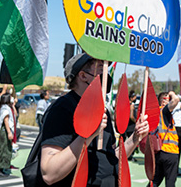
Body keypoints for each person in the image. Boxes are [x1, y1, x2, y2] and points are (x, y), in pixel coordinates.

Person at [40, 53, 149, 186]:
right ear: (83, 76)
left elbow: (112, 158)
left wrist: (135, 137)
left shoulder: (103, 110)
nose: (105, 73)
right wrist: (87, 135)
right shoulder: (62, 109)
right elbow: (49, 173)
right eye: (100, 67)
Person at [150, 91, 180, 187]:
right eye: (168, 99)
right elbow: (176, 100)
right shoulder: (164, 111)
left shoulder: (156, 113)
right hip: (170, 151)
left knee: (156, 181)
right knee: (170, 182)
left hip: (159, 151)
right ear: (163, 101)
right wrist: (172, 93)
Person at [0, 93, 17, 177]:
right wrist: (9, 132)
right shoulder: (5, 108)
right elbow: (6, 121)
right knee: (3, 149)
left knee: (6, 148)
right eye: (10, 98)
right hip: (5, 131)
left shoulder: (7, 107)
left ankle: (2, 167)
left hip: (6, 130)